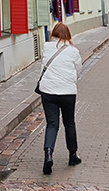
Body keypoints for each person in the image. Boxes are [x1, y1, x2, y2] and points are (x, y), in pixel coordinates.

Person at [38, 23, 83, 174]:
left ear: (54, 34)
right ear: (68, 35)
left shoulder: (46, 47)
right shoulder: (73, 51)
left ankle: (48, 154)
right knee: (69, 122)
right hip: (67, 92)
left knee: (52, 124)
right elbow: (78, 70)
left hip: (48, 91)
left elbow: (43, 65)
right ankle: (72, 155)